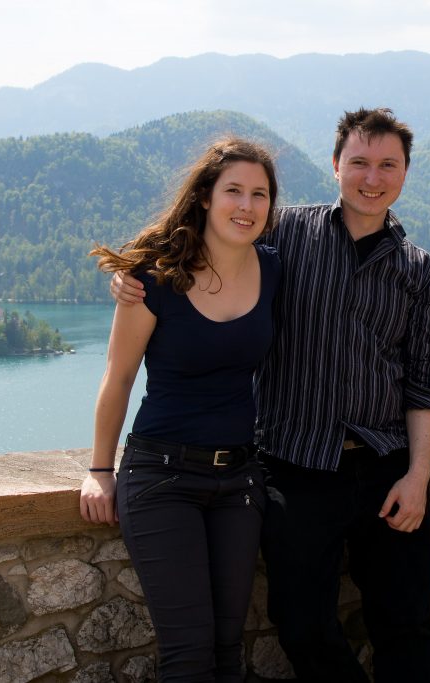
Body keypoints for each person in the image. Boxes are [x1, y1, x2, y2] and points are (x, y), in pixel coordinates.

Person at [113, 108, 430, 682]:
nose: (373, 177)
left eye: (388, 165)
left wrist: (417, 477)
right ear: (336, 165)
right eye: (360, 162)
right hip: (294, 465)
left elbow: (422, 382)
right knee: (300, 623)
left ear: (406, 172)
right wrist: (133, 273)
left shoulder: (418, 271)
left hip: (386, 467)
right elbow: (204, 235)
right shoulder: (285, 231)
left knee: (407, 621)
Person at [79, 137, 281, 682]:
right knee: (188, 655)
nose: (246, 205)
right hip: (162, 477)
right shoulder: (154, 280)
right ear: (206, 198)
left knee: (226, 652)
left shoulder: (274, 269)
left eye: (259, 194)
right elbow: (118, 378)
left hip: (239, 482)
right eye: (233, 191)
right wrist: (100, 470)